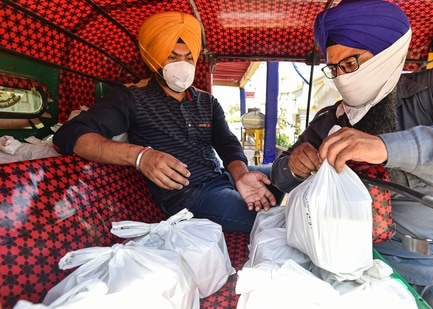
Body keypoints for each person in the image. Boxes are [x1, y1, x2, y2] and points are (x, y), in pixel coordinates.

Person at [270, 0, 433, 307]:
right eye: (334, 68)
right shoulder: (328, 121)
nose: (342, 77)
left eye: (350, 63)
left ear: (386, 52)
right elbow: (280, 177)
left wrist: (388, 148)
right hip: (356, 257)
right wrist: (294, 165)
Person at [53, 11, 283, 233]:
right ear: (154, 58)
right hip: (189, 196)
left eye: (188, 57)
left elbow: (227, 145)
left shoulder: (207, 101)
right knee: (269, 217)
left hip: (222, 176)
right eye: (172, 57)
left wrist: (240, 174)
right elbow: (69, 134)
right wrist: (140, 156)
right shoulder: (131, 97)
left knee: (286, 174)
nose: (182, 65)